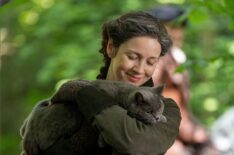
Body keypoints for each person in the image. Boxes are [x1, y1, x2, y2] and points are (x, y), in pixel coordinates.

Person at [20, 11, 181, 155]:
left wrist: (86, 94)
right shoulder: (70, 103)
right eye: (132, 57)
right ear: (111, 47)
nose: (139, 69)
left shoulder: (166, 110)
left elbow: (138, 145)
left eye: (150, 62)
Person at [149, 4, 220, 155]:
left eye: (179, 28)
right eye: (171, 28)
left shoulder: (176, 59)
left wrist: (196, 132)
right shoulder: (153, 61)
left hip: (180, 131)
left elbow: (182, 110)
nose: (177, 33)